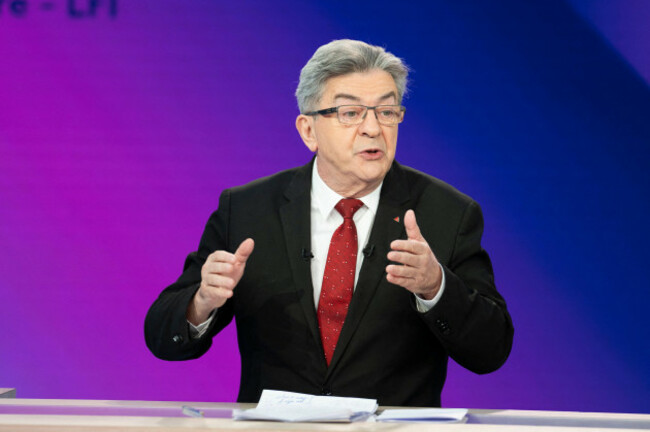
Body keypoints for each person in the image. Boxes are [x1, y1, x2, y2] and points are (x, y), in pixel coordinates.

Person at [145, 39, 513, 407]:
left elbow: (491, 351)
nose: (373, 128)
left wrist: (436, 288)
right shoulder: (246, 210)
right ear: (309, 131)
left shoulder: (446, 213)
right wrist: (202, 302)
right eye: (350, 113)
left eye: (386, 112)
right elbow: (163, 338)